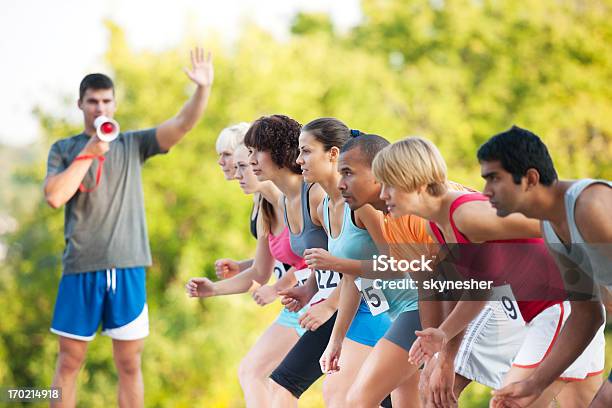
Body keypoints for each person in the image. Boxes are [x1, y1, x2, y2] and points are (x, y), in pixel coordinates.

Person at [373, 136, 604, 408]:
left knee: (506, 402)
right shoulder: (439, 225)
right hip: (547, 314)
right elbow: (478, 289)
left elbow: (552, 216)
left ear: (415, 181)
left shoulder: (467, 214)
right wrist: (443, 333)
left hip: (558, 312)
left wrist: (596, 279)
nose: (382, 194)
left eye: (389, 184)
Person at [45, 47, 213, 407]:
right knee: (69, 362)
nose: (101, 108)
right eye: (93, 101)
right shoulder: (64, 149)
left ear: (115, 105)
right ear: (80, 105)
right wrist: (91, 150)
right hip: (80, 269)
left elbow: (182, 125)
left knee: (129, 364)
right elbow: (55, 196)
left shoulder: (134, 144)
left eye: (107, 101)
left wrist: (202, 90)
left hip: (128, 269)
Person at [474, 126, 610, 408]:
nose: (486, 191)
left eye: (494, 179)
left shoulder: (591, 206)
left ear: (530, 178)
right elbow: (587, 314)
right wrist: (534, 384)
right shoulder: (551, 226)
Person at [186, 142, 306, 408]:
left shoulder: (294, 202)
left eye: (243, 166)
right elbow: (260, 272)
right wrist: (213, 288)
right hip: (295, 306)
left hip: (322, 299)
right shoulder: (264, 208)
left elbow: (316, 260)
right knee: (256, 374)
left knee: (268, 379)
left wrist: (277, 289)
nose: (238, 173)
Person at [293, 119, 393, 408]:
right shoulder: (324, 207)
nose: (299, 160)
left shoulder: (362, 206)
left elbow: (397, 264)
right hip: (360, 309)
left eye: (306, 151)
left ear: (333, 154)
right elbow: (350, 276)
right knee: (340, 396)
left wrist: (337, 264)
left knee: (345, 398)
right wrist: (334, 341)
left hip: (391, 309)